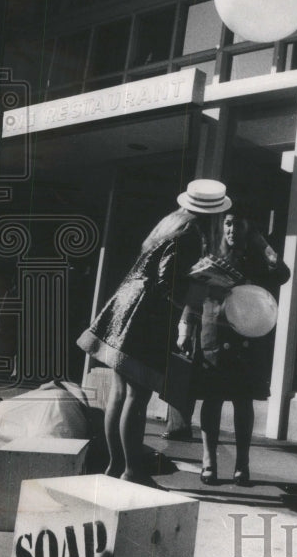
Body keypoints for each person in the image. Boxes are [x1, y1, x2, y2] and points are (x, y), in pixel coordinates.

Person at [77, 179, 231, 486]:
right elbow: (167, 282)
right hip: (147, 318)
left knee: (120, 393)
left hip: (126, 307)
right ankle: (133, 471)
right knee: (137, 394)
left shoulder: (170, 224)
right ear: (213, 213)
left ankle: (116, 465)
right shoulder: (190, 234)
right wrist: (203, 284)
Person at [177, 212, 290, 486]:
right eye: (228, 223)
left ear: (248, 227)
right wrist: (185, 330)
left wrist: (263, 244)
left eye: (238, 223)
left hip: (245, 338)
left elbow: (283, 273)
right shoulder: (211, 258)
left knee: (243, 402)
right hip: (213, 333)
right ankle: (209, 462)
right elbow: (193, 299)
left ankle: (242, 464)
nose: (231, 229)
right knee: (212, 399)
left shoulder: (257, 260)